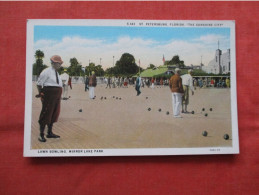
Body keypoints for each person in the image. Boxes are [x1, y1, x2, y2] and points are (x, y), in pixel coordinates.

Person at [36, 55, 63, 142]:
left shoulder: (57, 72)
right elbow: (39, 83)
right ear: (54, 63)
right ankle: (41, 135)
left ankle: (49, 132)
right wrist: (41, 93)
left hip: (56, 95)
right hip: (49, 94)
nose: (60, 65)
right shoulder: (46, 71)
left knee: (54, 113)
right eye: (59, 63)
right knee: (46, 112)